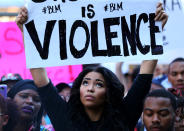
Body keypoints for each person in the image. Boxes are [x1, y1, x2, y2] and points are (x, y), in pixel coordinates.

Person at [16, 2, 168, 131]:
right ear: (79, 89)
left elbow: (144, 77)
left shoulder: (124, 115)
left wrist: (155, 27)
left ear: (109, 92)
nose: (90, 88)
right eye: (86, 82)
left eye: (99, 84)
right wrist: (28, 31)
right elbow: (40, 77)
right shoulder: (64, 117)